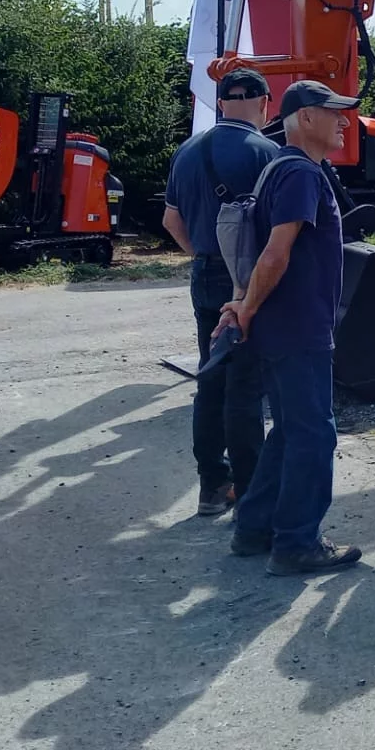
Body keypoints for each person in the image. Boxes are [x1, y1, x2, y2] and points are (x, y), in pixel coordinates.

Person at [221, 80, 364, 576]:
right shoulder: (302, 174)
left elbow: (260, 250)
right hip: (298, 328)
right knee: (313, 436)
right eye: (335, 112)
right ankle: (297, 543)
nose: (345, 121)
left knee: (287, 431)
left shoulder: (280, 169)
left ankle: (254, 528)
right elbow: (276, 252)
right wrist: (247, 308)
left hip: (281, 329)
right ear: (305, 118)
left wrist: (245, 306)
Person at [161, 70, 276, 517]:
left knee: (210, 381)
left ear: (222, 102)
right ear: (263, 102)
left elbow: (172, 221)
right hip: (246, 283)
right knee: (245, 388)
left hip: (204, 275)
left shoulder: (187, 151)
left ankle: (213, 486)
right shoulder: (266, 152)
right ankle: (250, 496)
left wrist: (203, 255)